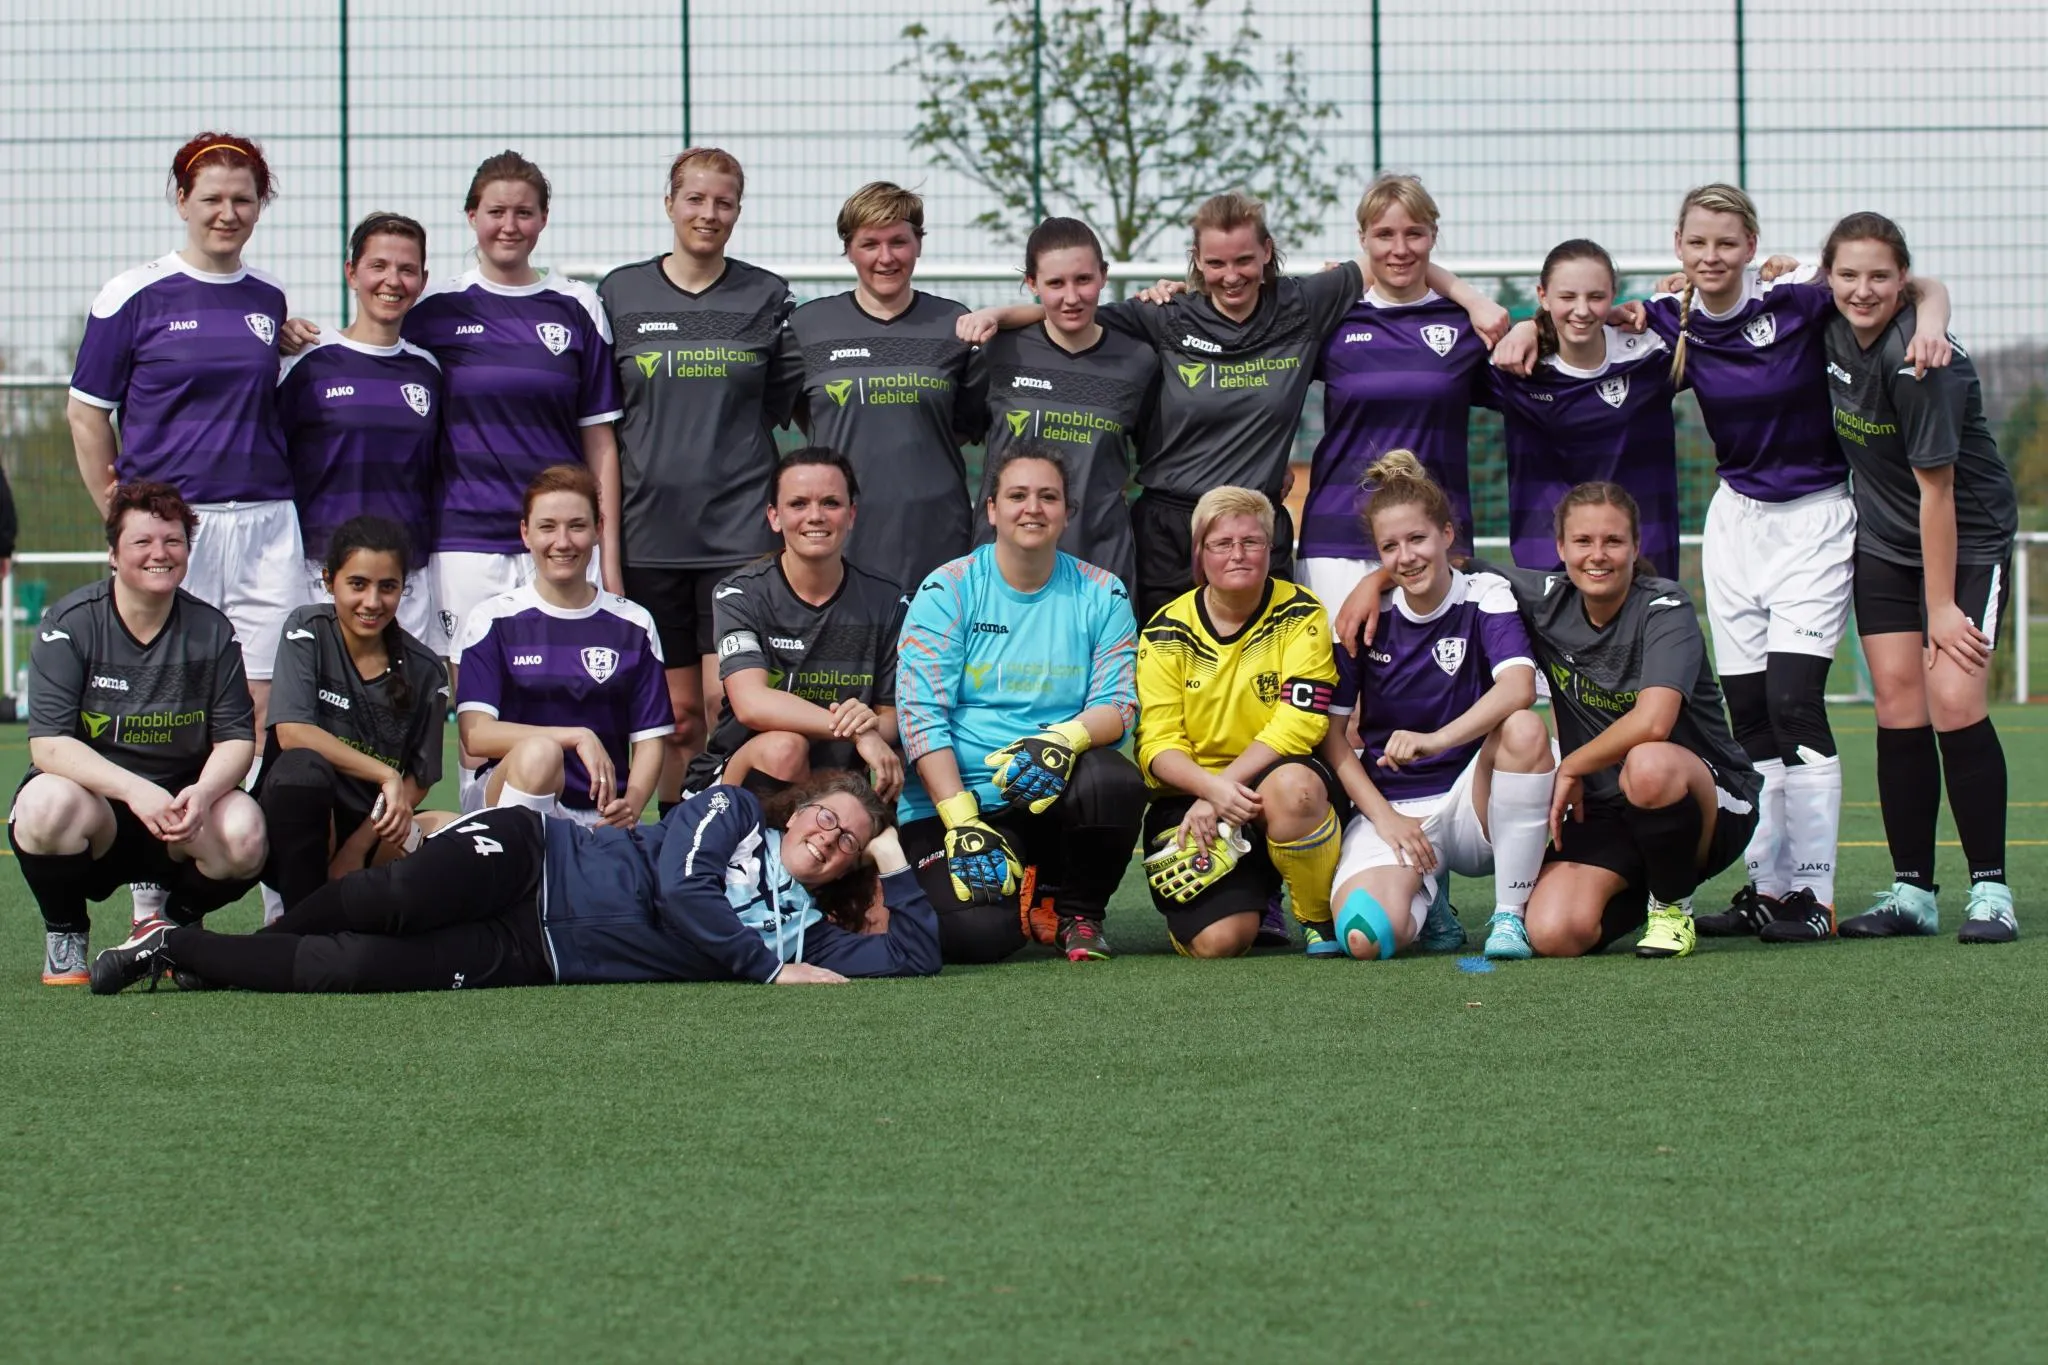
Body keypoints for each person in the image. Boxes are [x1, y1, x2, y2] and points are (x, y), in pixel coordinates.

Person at [1640, 183, 1950, 942]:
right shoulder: (1669, 315)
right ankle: (1767, 887)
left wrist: (1934, 323)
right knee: (1747, 713)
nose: (1712, 256)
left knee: (1794, 705)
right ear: (1678, 246)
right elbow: (1589, 321)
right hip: (1734, 524)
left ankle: (1814, 895)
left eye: (1727, 242)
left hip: (1814, 519)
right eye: (1697, 243)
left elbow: (1914, 284)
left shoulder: (1799, 294)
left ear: (1751, 245)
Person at [1342, 483, 1760, 959]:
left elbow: (1653, 723)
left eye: (1613, 541)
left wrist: (1572, 765)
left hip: (1704, 799)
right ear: (1561, 548)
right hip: (1604, 807)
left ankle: (1671, 908)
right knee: (1553, 933)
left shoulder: (1666, 607)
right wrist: (1371, 584)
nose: (1597, 555)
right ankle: (1649, 884)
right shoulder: (1542, 599)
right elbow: (1445, 562)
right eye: (1582, 541)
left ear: (1636, 546)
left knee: (1648, 764)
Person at [90, 772, 941, 995]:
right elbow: (683, 893)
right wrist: (763, 969)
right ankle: (245, 949)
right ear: (797, 811)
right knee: (392, 899)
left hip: (534, 953)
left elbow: (912, 957)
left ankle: (175, 948)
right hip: (532, 856)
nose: (829, 836)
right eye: (825, 816)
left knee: (356, 968)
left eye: (848, 841)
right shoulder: (732, 809)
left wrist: (894, 853)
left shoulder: (807, 936)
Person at [1817, 212, 2019, 943]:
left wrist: (1940, 607)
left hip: (1966, 543)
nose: (1862, 289)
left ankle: (1991, 891)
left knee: (1955, 701)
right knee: (1898, 706)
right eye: (1848, 274)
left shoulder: (1923, 364)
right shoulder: (1827, 322)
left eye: (1880, 276)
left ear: (1900, 280)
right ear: (1827, 277)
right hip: (1885, 543)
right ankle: (1912, 893)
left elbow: (1939, 495)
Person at [67, 133, 300, 736]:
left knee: (262, 695)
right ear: (182, 201)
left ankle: (246, 800)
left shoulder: (269, 296)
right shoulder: (131, 294)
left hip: (266, 521)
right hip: (176, 523)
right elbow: (86, 414)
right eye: (212, 199)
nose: (228, 214)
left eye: (243, 200)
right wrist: (119, 512)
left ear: (259, 205)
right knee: (171, 694)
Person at [599, 147, 805, 811]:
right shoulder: (619, 294)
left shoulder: (766, 295)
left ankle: (725, 840)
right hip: (648, 536)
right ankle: (673, 842)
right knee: (678, 716)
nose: (708, 213)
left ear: (739, 211)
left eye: (723, 202)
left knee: (728, 702)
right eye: (695, 198)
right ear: (669, 204)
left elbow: (783, 403)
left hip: (739, 536)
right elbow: (600, 416)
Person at [8, 482, 266, 984]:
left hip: (179, 816)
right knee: (44, 806)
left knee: (246, 833)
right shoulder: (70, 624)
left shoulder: (212, 630)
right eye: (142, 542)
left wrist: (203, 793)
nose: (160, 554)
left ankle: (169, 930)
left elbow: (237, 738)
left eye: (173, 541)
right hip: (98, 813)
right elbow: (50, 744)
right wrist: (135, 790)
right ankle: (65, 931)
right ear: (113, 553)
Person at [895, 445, 1144, 964]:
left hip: (1052, 794)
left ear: (1067, 512)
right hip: (957, 800)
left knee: (1113, 779)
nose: (1033, 508)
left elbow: (1119, 704)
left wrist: (1063, 739)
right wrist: (960, 819)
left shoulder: (1104, 593)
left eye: (1048, 497)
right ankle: (1017, 893)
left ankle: (1076, 913)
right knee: (977, 937)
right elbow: (920, 716)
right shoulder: (948, 589)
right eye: (1017, 496)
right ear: (991, 509)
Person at [1320, 453, 1555, 961]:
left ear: (1447, 535)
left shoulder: (1485, 594)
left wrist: (1436, 741)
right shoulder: (1364, 616)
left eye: (1417, 539)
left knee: (1524, 728)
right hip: (1396, 808)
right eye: (1390, 547)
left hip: (1474, 799)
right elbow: (1333, 740)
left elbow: (1518, 688)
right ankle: (1430, 902)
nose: (1406, 557)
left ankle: (1510, 916)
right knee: (1365, 938)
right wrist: (1385, 820)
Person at [399, 151, 625, 663]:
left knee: (567, 686)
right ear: (471, 216)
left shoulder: (578, 306)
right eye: (496, 212)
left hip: (561, 537)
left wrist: (607, 556)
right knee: (472, 693)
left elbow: (599, 442)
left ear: (543, 219)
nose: (509, 226)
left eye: (524, 213)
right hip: (465, 538)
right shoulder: (435, 310)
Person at [1133, 487, 1343, 958]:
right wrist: (1209, 790)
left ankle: (1316, 916)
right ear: (1199, 553)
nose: (1238, 554)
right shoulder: (1166, 629)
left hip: (1273, 782)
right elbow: (1156, 745)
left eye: (1251, 542)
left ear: (1270, 548)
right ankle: (1250, 894)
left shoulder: (1301, 612)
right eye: (1222, 544)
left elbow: (1301, 724)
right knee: (1219, 943)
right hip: (1193, 792)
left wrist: (1224, 788)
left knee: (1295, 790)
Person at [1297, 175, 1496, 606]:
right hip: (1339, 540)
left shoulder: (1465, 324)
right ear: (1363, 240)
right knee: (1339, 654)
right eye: (1385, 234)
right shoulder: (1333, 319)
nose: (1400, 249)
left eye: (1414, 234)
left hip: (1433, 542)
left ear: (1433, 236)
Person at [787, 182, 988, 592]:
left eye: (898, 242)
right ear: (849, 249)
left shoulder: (953, 324)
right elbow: (798, 411)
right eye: (869, 244)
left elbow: (962, 425)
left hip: (935, 539)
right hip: (838, 542)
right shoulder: (808, 327)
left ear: (918, 244)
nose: (886, 257)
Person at [683, 447, 906, 804]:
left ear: (851, 515)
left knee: (897, 772)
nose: (815, 516)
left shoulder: (888, 600)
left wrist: (871, 726)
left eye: (831, 503)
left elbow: (891, 716)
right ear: (774, 516)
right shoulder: (740, 594)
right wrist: (856, 732)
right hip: (743, 776)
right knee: (784, 748)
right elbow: (751, 703)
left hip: (839, 784)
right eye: (798, 504)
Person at [454, 465, 668, 828]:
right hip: (506, 800)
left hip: (598, 815)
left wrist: (630, 804)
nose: (563, 542)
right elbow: (476, 735)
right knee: (541, 753)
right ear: (525, 533)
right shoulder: (493, 619)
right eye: (547, 527)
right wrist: (575, 737)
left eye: (577, 526)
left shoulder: (635, 623)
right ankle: (518, 859)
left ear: (599, 529)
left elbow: (649, 738)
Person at [259, 516, 449, 916]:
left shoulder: (427, 670)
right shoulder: (307, 629)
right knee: (303, 772)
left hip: (372, 829)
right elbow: (293, 732)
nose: (372, 602)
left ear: (403, 587)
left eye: (388, 587)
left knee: (456, 836)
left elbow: (420, 777)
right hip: (296, 821)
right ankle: (300, 921)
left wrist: (356, 850)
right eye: (358, 584)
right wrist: (385, 774)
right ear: (329, 581)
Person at [276, 211, 443, 645]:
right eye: (378, 266)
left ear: (422, 281)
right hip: (323, 571)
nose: (393, 281)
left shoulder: (429, 370)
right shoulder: (304, 362)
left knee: (406, 689)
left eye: (407, 269)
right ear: (352, 273)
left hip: (405, 577)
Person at [973, 217, 1160, 591]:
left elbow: (1157, 457)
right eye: (1056, 283)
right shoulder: (999, 350)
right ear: (1032, 284)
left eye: (1083, 279)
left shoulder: (1139, 361)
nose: (1071, 297)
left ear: (1103, 276)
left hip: (1099, 566)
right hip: (1004, 568)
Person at [1485, 239, 1681, 576]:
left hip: (1646, 563)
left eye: (1596, 297)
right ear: (1543, 296)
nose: (1582, 310)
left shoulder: (1652, 352)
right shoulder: (1514, 365)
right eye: (1567, 297)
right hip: (1549, 565)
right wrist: (1527, 326)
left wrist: (1686, 282)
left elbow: (1720, 299)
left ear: (1613, 294)